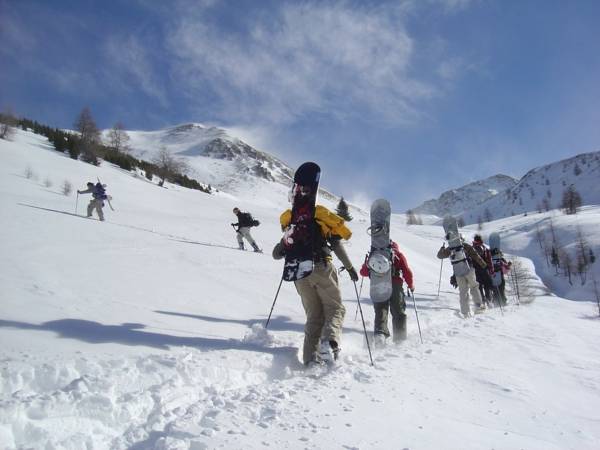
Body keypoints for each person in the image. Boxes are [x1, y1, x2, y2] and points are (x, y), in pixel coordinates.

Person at [272, 200, 358, 366]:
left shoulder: (292, 223)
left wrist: (286, 241)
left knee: (314, 315)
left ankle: (311, 359)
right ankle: (329, 342)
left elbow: (276, 254)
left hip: (299, 274)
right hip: (321, 267)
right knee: (335, 308)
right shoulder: (320, 219)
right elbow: (336, 245)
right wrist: (349, 268)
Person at [360, 240, 414, 345]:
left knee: (381, 309)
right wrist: (411, 285)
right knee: (398, 310)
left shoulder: (373, 254)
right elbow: (407, 271)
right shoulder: (398, 255)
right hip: (395, 285)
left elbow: (363, 272)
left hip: (378, 285)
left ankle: (380, 335)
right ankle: (400, 337)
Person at [437, 234, 487, 317]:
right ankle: (478, 307)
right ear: (462, 239)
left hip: (458, 272)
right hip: (469, 269)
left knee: (463, 291)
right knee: (474, 287)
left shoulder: (450, 248)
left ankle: (465, 312)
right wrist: (483, 265)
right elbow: (475, 255)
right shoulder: (465, 246)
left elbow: (439, 256)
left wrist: (442, 249)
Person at [472, 234, 494, 306]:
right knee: (487, 285)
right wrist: (491, 270)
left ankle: (482, 301)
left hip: (475, 270)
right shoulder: (485, 248)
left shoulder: (472, 248)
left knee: (479, 286)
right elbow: (489, 260)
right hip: (485, 269)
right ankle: (489, 300)